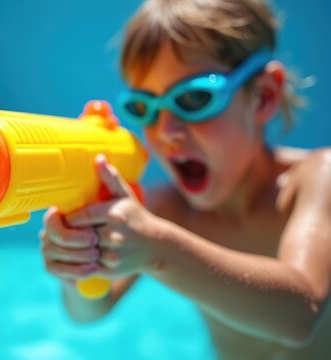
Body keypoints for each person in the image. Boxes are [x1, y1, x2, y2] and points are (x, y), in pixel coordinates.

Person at [39, 0, 331, 358]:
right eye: (144, 108)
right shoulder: (165, 211)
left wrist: (159, 249)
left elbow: (300, 316)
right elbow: (89, 313)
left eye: (193, 98)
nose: (167, 131)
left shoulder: (317, 180)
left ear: (264, 95)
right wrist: (79, 270)